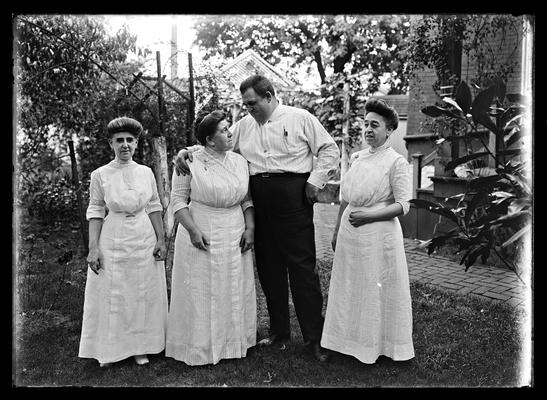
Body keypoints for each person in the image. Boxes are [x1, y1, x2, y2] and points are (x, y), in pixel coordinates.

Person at [175, 75, 339, 362]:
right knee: (269, 268)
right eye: (245, 105)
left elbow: (329, 150)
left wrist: (315, 181)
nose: (248, 110)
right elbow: (212, 143)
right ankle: (279, 331)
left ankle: (315, 338)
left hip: (293, 196)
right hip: (259, 199)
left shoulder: (300, 118)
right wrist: (185, 151)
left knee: (302, 268)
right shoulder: (245, 125)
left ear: (269, 95)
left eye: (252, 104)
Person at [321, 98, 415, 364]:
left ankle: (376, 345)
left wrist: (369, 216)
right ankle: (343, 342)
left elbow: (403, 205)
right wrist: (337, 228)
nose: (368, 130)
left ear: (389, 129)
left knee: (374, 289)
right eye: (366, 124)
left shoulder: (396, 162)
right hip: (351, 234)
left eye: (375, 125)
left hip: (379, 235)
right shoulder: (356, 157)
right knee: (349, 286)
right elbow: (345, 198)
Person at [165, 110, 257, 366]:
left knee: (233, 284)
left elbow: (246, 199)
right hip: (201, 227)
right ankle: (198, 346)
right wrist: (193, 230)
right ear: (208, 140)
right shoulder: (189, 161)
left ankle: (234, 341)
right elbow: (177, 201)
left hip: (234, 229)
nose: (230, 133)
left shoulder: (239, 161)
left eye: (229, 128)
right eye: (224, 130)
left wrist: (250, 229)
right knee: (201, 287)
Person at [79, 117, 168, 367]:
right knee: (114, 292)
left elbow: (153, 205)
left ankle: (141, 347)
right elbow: (96, 210)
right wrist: (93, 247)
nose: (125, 145)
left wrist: (161, 239)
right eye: (120, 140)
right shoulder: (100, 175)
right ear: (111, 144)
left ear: (137, 143)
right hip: (114, 235)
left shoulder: (145, 172)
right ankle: (112, 349)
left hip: (143, 234)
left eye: (130, 140)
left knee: (142, 291)